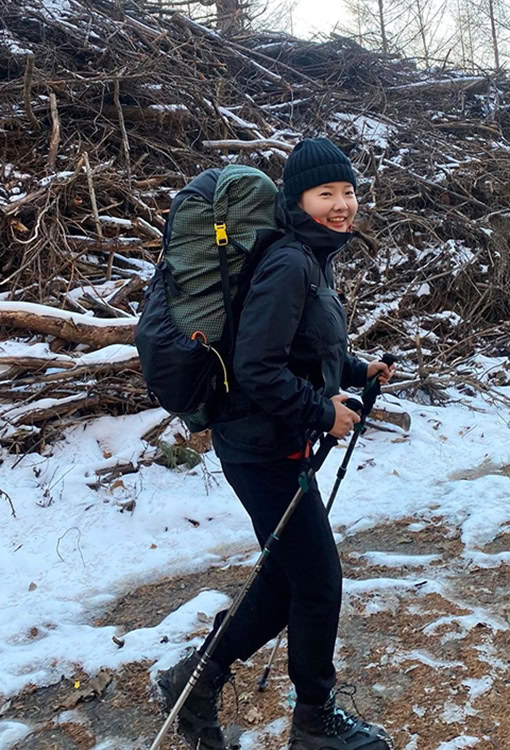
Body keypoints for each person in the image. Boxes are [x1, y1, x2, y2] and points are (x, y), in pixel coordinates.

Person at [159, 138, 394, 750]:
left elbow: (300, 349)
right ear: (298, 200)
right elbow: (257, 368)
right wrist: (324, 413)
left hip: (269, 441)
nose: (342, 205)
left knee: (292, 580)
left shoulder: (312, 255)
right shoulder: (292, 262)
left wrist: (355, 370)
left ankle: (195, 680)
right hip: (259, 446)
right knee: (317, 581)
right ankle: (314, 719)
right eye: (327, 194)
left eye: (348, 192)